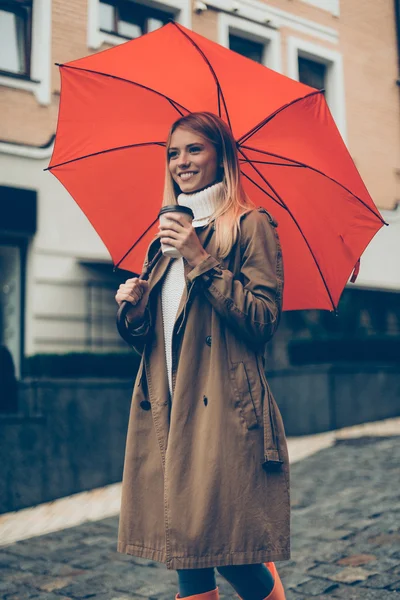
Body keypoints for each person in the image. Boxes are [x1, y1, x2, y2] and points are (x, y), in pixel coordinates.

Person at [115, 112, 288, 600]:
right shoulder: (165, 237)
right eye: (173, 152)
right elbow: (163, 334)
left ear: (221, 157)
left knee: (211, 545)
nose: (181, 161)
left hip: (222, 408)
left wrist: (199, 258)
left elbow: (262, 320)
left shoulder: (250, 225)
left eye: (194, 149)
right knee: (184, 545)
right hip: (165, 401)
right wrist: (135, 310)